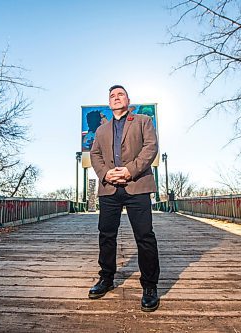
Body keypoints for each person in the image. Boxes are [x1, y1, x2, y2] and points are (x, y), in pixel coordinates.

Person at [88, 84, 160, 312]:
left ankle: (149, 286)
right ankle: (106, 278)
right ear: (109, 103)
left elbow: (151, 147)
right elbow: (95, 154)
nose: (116, 98)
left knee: (144, 236)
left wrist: (130, 170)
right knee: (106, 235)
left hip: (136, 185)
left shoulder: (143, 121)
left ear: (128, 100)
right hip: (110, 188)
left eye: (120, 94)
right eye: (112, 95)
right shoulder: (101, 130)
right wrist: (105, 173)